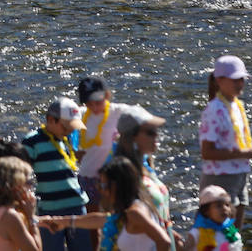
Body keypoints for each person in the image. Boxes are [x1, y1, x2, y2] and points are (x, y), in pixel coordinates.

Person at [39, 156, 170, 251]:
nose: (101, 189)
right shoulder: (126, 210)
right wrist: (62, 221)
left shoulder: (135, 212)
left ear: (118, 185)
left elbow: (164, 241)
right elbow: (103, 219)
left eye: (103, 184)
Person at [198, 54, 252, 228]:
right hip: (220, 178)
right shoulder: (214, 110)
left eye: (242, 79)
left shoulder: (236, 105)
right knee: (216, 235)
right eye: (235, 79)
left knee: (234, 234)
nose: (240, 83)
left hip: (239, 175)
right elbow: (207, 152)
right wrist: (246, 153)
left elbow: (232, 142)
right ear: (219, 80)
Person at [20, 97, 90, 251]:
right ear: (51, 120)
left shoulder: (64, 139)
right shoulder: (32, 141)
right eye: (66, 127)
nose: (70, 131)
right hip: (50, 208)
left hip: (77, 205)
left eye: (73, 128)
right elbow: (21, 174)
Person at [72, 77, 132, 222]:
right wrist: (73, 150)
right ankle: (94, 245)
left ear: (107, 95)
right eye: (89, 103)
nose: (94, 107)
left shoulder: (118, 111)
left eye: (98, 102)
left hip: (112, 178)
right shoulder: (80, 114)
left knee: (117, 218)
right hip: (88, 175)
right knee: (91, 219)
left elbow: (142, 120)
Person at [111, 105, 175, 239]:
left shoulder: (145, 167)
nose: (157, 135)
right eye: (150, 132)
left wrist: (169, 232)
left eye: (156, 131)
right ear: (133, 137)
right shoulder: (122, 173)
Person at [191, 185, 243, 251]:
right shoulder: (197, 233)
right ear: (206, 211)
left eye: (227, 205)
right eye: (218, 206)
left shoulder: (232, 233)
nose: (224, 208)